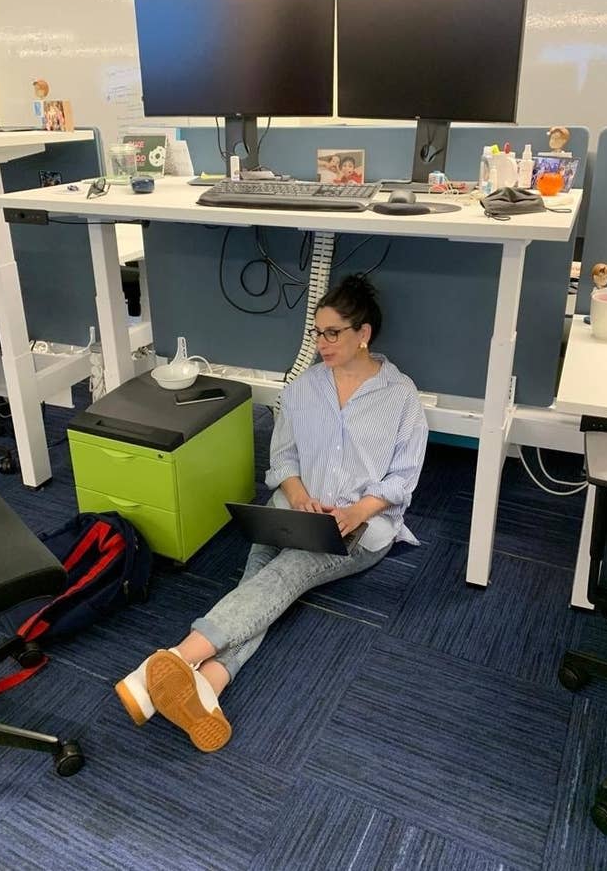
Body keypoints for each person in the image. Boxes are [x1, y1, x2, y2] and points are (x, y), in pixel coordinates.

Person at [115, 275, 429, 752]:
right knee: (259, 583)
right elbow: (282, 459)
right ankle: (208, 686)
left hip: (362, 527)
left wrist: (355, 511)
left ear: (363, 334)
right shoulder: (304, 388)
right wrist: (299, 494)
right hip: (293, 509)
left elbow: (403, 479)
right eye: (316, 333)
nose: (320, 344)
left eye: (332, 333)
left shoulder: (400, 395)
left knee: (285, 574)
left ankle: (173, 659)